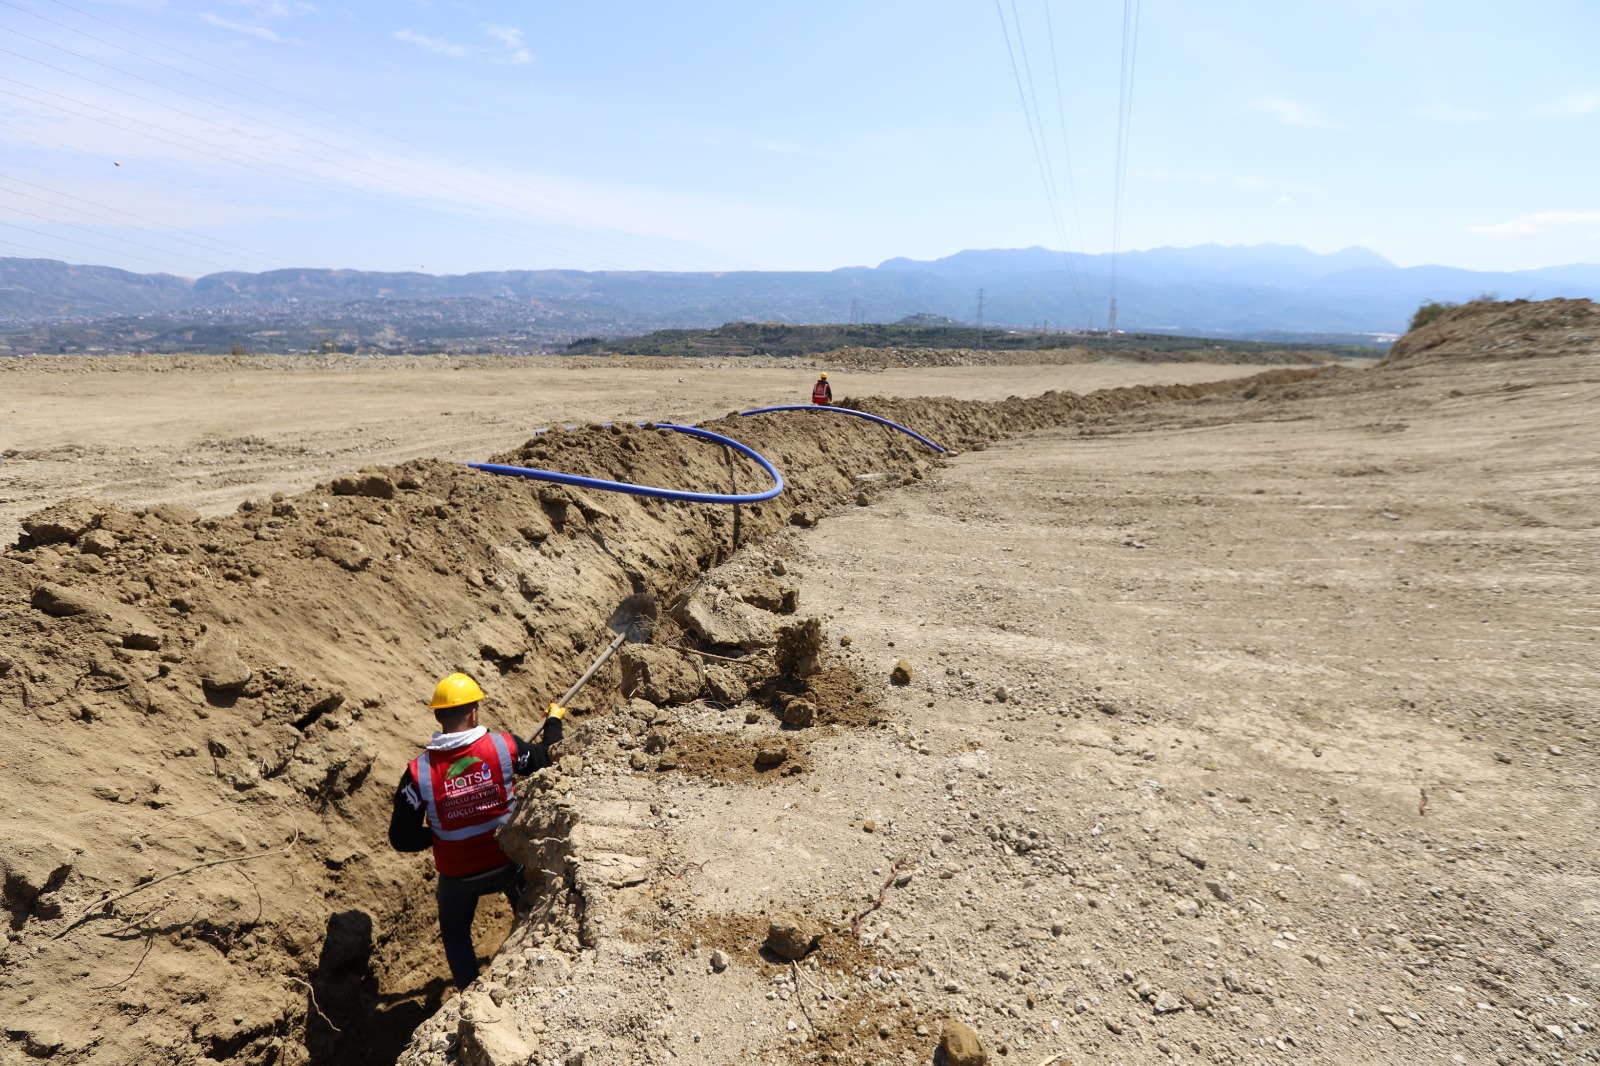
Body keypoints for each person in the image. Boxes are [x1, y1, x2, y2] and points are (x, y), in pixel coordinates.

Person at [388, 672, 566, 990]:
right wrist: (553, 721)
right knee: (529, 896)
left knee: (455, 933)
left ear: (438, 715)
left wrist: (442, 833)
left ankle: (470, 992)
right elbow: (552, 758)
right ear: (474, 712)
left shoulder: (418, 774)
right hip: (509, 861)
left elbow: (400, 839)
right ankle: (533, 951)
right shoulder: (503, 747)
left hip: (459, 877)